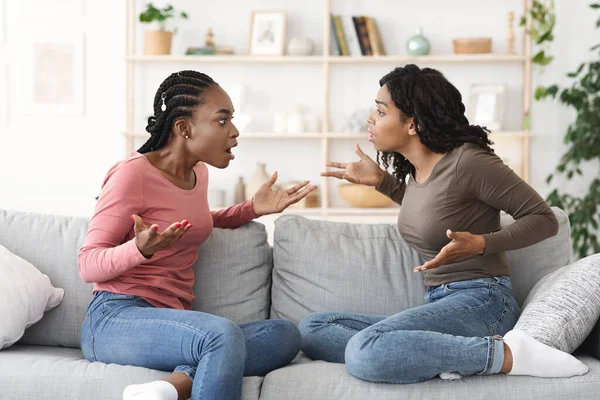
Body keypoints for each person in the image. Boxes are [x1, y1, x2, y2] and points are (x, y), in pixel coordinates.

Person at [299, 64, 589, 384]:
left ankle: (507, 355)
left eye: (381, 112)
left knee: (364, 352)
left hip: (483, 302)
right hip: (440, 300)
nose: (370, 118)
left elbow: (546, 220)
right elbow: (434, 209)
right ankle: (437, 354)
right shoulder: (420, 169)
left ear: (412, 123)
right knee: (314, 329)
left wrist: (483, 243)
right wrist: (382, 181)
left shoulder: (470, 162)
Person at [78, 70, 316, 400]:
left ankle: (172, 387)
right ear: (184, 128)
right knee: (221, 335)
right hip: (115, 318)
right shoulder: (131, 174)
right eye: (222, 120)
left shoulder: (197, 173)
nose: (234, 132)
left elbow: (197, 221)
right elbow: (88, 264)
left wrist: (251, 209)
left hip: (175, 322)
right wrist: (139, 249)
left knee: (284, 334)